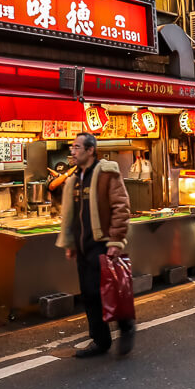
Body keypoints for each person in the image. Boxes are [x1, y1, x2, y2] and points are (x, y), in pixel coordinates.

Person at [56, 132, 135, 358]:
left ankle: (127, 327)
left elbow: (121, 206)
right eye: (72, 147)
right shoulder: (75, 178)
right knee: (89, 294)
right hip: (83, 247)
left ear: (91, 150)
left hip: (103, 244)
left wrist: (116, 240)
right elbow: (72, 215)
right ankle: (100, 341)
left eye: (77, 147)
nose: (73, 151)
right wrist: (70, 242)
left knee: (113, 291)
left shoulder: (106, 173)